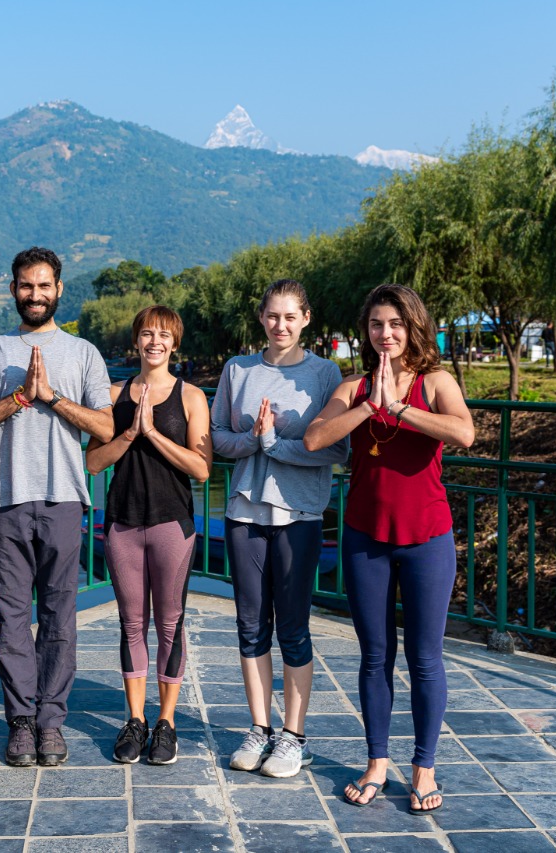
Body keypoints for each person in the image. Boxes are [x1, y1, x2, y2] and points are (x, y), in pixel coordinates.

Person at [304, 284, 474, 814]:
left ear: (413, 326)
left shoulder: (437, 380)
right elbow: (314, 438)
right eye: (377, 324)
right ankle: (376, 761)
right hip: (365, 539)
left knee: (425, 659)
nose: (386, 333)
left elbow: (463, 432)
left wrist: (399, 409)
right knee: (375, 656)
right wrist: (368, 407)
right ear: (367, 330)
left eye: (396, 324)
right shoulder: (353, 385)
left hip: (427, 539)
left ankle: (424, 766)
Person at [0, 246, 114, 767]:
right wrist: (19, 399)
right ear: (13, 290)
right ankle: (20, 722)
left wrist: (50, 398)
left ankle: (51, 721)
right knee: (11, 617)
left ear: (59, 289)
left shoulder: (85, 353)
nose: (35, 294)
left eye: (44, 285)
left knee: (60, 616)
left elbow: (106, 428)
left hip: (66, 497)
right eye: (26, 285)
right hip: (6, 500)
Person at [212, 280, 349, 779]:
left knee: (292, 626)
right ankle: (260, 728)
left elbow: (335, 449)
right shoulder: (238, 370)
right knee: (251, 625)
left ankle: (295, 737)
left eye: (290, 317)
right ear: (262, 318)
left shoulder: (324, 373)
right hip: (245, 514)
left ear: (306, 318)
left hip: (300, 515)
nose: (280, 325)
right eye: (272, 316)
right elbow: (217, 440)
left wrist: (274, 445)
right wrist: (252, 440)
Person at [85, 305, 211, 766]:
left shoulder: (192, 396)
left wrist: (153, 434)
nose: (154, 341)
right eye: (146, 334)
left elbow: (201, 468)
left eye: (163, 335)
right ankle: (135, 720)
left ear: (175, 344)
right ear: (136, 341)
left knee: (170, 624)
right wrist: (129, 434)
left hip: (171, 523)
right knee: (131, 623)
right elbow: (94, 462)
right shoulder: (114, 395)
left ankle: (167, 723)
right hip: (122, 521)